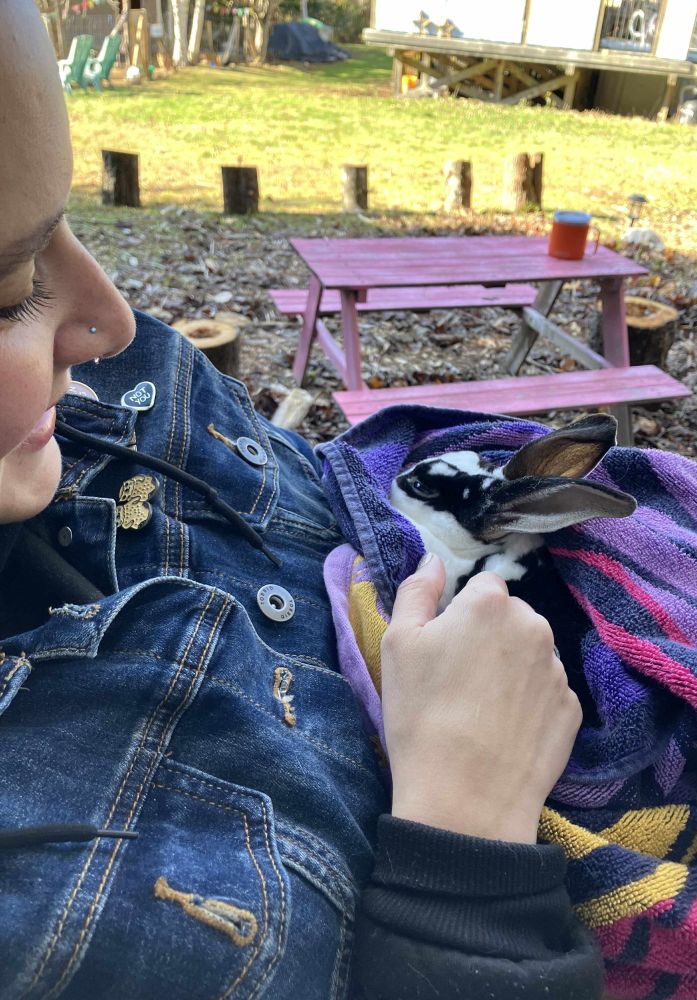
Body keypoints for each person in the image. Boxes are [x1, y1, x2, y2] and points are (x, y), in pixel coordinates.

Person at [0, 4, 602, 997]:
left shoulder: (62, 412)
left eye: (65, 228)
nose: (114, 319)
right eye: (14, 285)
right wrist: (471, 853)